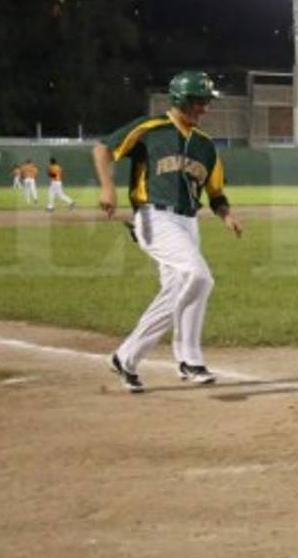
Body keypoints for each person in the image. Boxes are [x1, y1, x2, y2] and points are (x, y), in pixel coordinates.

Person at [93, 70, 243, 393]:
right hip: (153, 217)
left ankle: (126, 358)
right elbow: (103, 150)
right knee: (200, 277)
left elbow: (215, 193)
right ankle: (188, 359)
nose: (205, 108)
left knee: (178, 289)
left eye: (206, 101)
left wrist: (226, 216)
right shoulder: (150, 129)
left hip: (188, 224)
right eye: (199, 102)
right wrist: (108, 188)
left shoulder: (206, 146)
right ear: (180, 100)